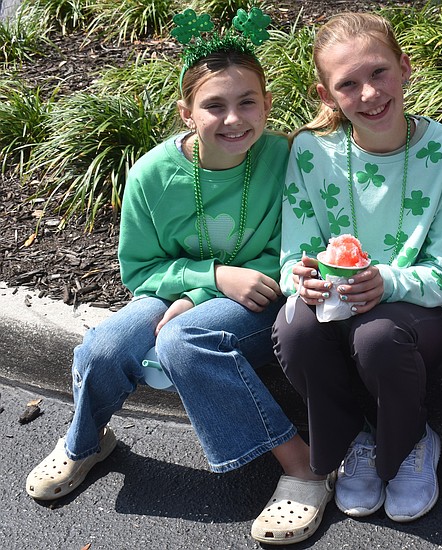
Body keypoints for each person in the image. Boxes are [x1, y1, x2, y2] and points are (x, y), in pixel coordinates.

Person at [24, 9, 328, 546]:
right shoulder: (152, 174)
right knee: (102, 347)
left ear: (268, 104)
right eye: (214, 105)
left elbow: (301, 242)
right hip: (178, 286)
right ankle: (86, 441)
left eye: (247, 102)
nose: (233, 119)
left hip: (264, 290)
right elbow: (139, 269)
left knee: (186, 342)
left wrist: (209, 292)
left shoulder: (285, 157)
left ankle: (305, 468)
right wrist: (207, 280)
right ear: (187, 112)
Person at [271, 12, 442, 523]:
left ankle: (406, 441)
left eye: (379, 72)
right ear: (326, 94)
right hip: (340, 303)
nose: (369, 93)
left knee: (375, 336)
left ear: (405, 68)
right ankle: (357, 437)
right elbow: (293, 256)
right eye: (348, 84)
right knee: (294, 328)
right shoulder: (312, 153)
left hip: (419, 307)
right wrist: (304, 279)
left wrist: (388, 282)